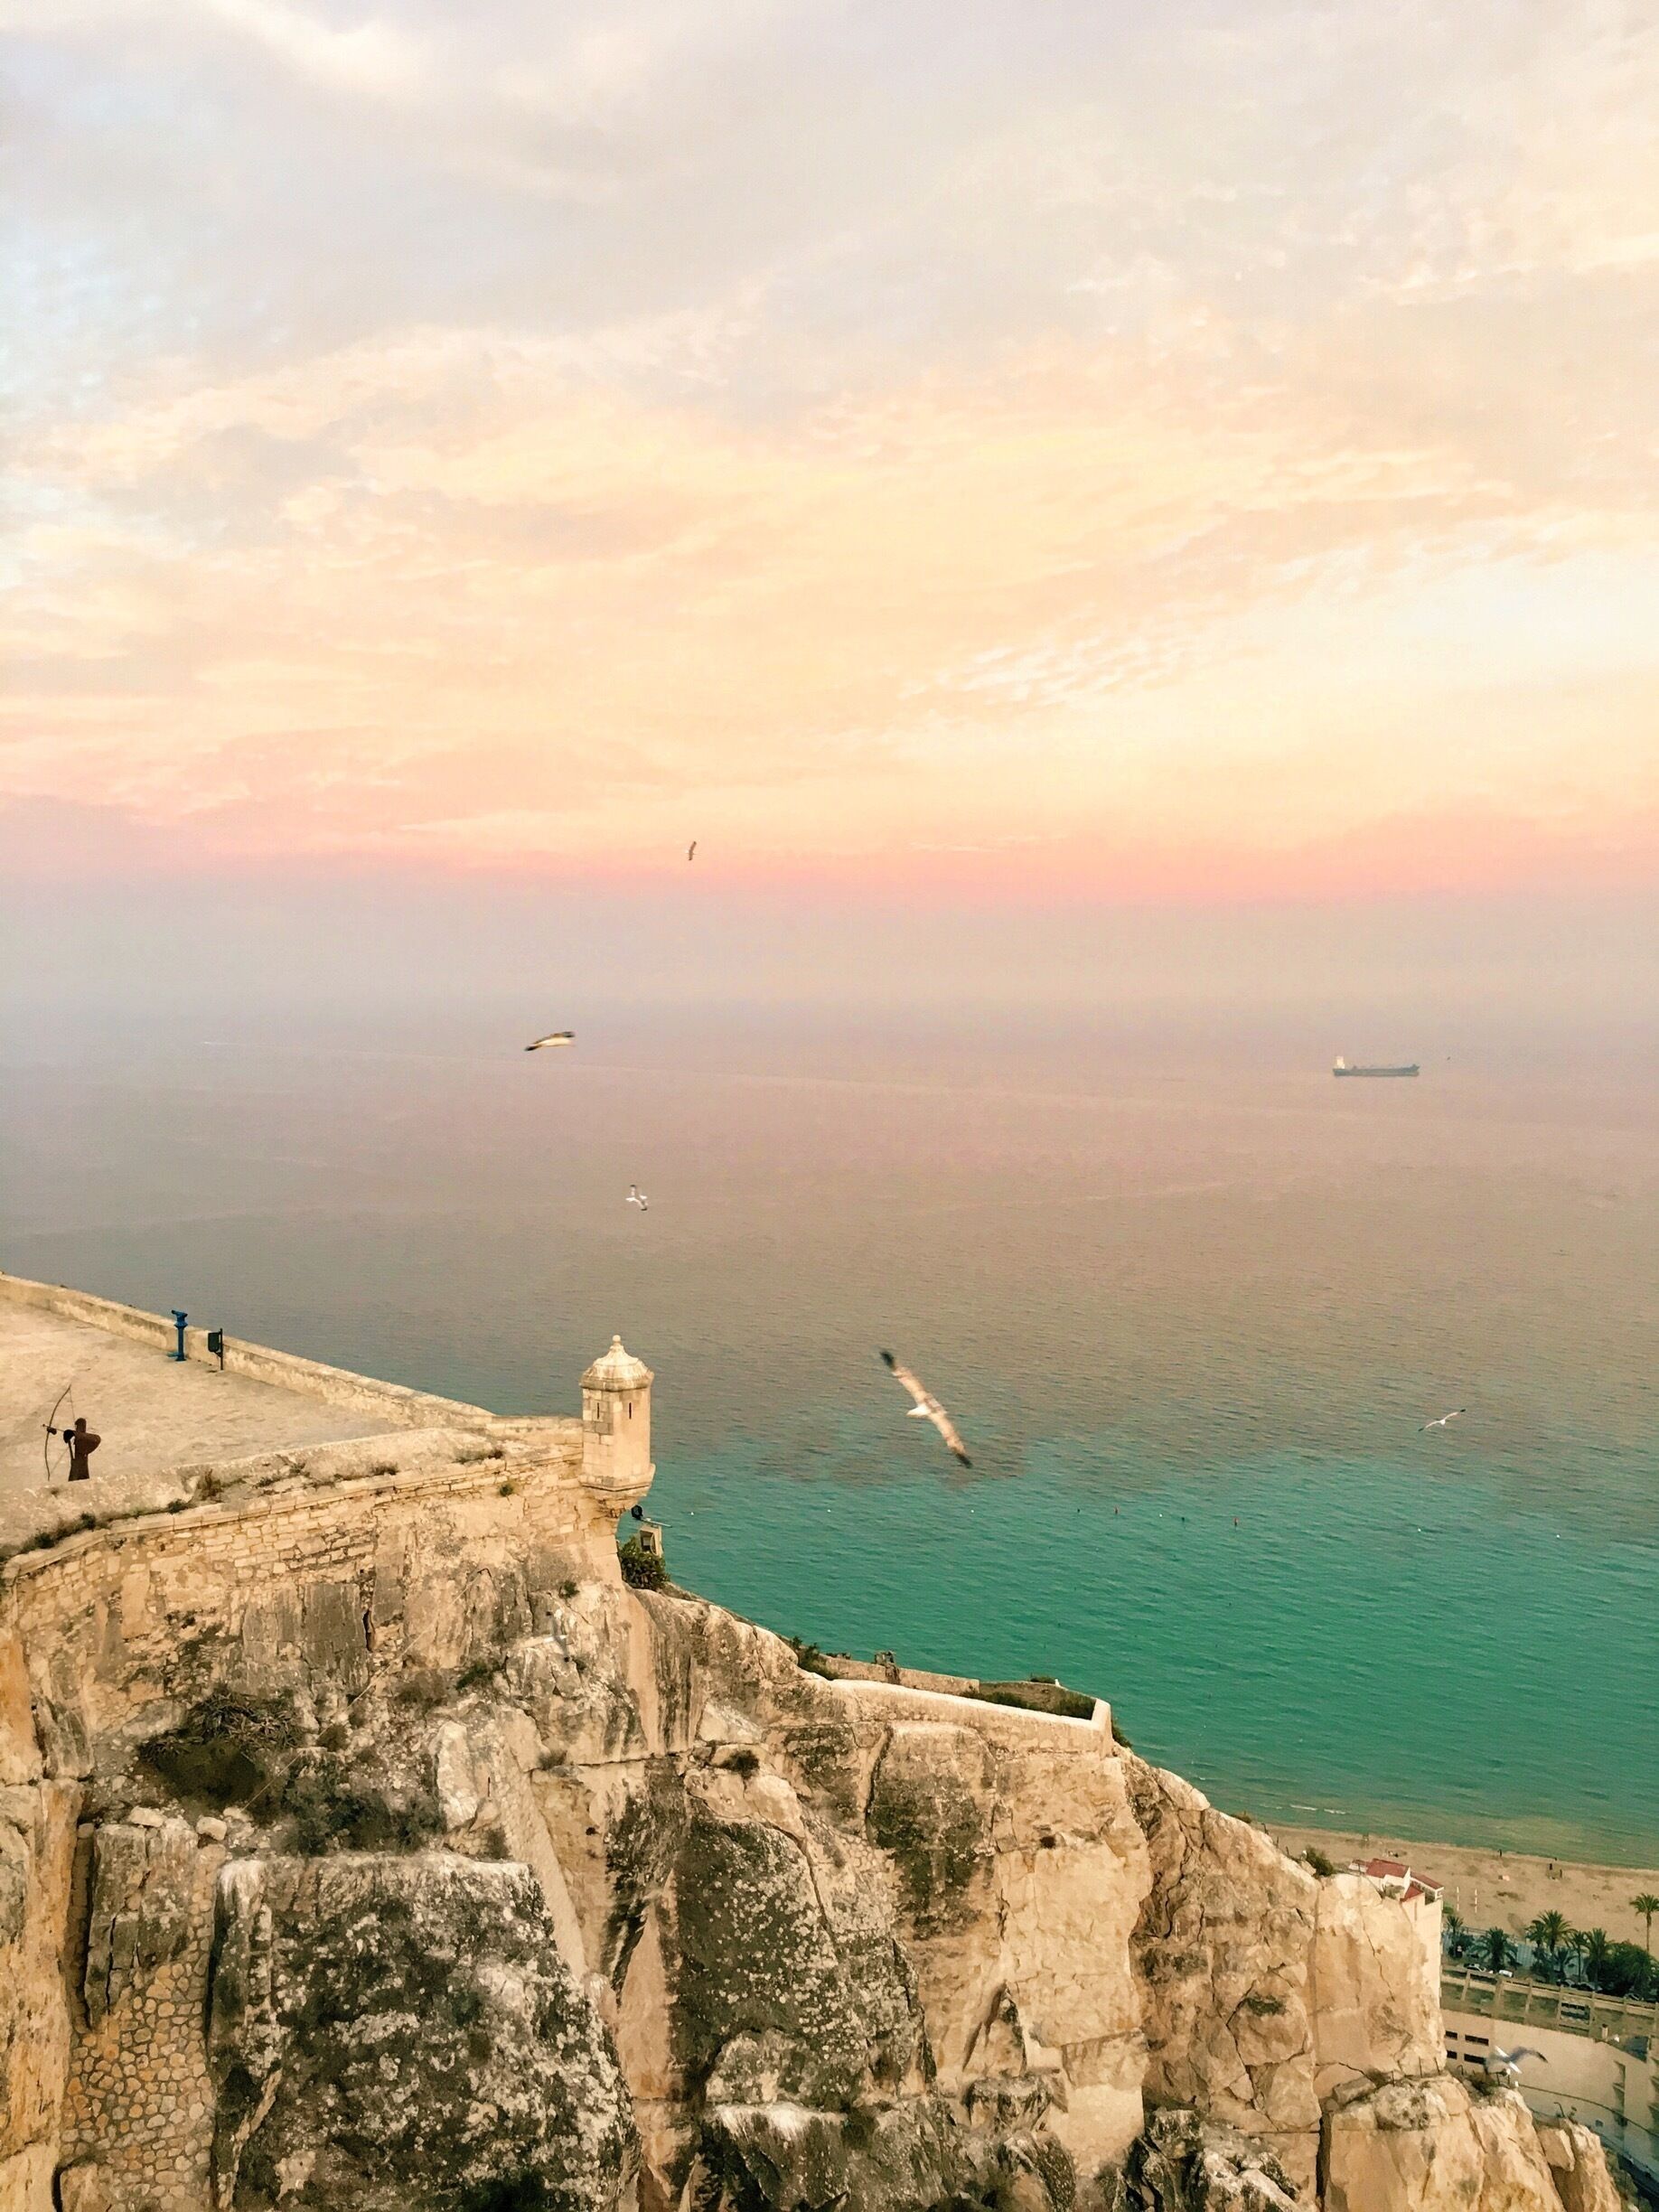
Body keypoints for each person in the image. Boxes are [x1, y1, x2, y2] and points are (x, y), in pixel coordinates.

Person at [50, 1417, 101, 1481]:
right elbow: (71, 1436)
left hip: (81, 1463)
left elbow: (96, 1439)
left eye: (77, 1426)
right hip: (76, 1463)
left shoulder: (86, 1437)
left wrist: (73, 1433)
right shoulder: (79, 1437)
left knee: (81, 1481)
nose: (76, 1428)